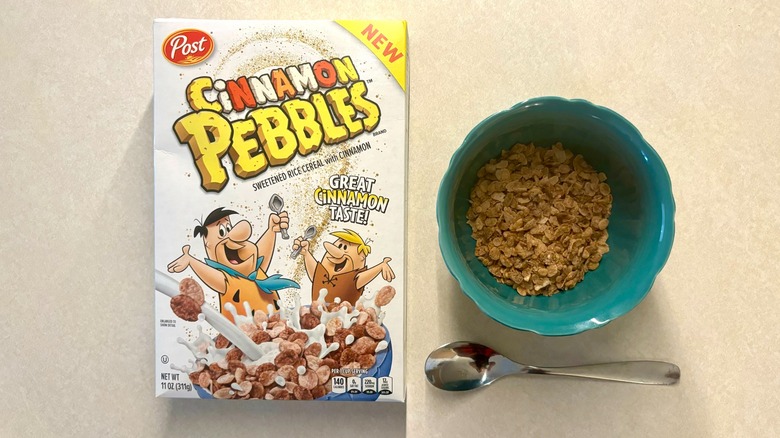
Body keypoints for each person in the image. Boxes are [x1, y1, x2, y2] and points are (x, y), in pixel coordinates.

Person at [167, 206, 299, 321]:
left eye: (228, 227)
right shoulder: (228, 281)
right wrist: (191, 260)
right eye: (222, 232)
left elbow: (260, 252)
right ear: (209, 246)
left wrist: (271, 230)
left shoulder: (254, 269)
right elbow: (211, 275)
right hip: (242, 341)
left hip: (279, 329)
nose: (232, 235)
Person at [292, 229, 394, 305]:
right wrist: (306, 253)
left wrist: (381, 266)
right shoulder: (322, 272)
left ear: (361, 258)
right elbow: (314, 273)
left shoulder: (352, 279)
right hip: (315, 318)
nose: (336, 251)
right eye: (339, 246)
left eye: (345, 248)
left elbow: (364, 276)